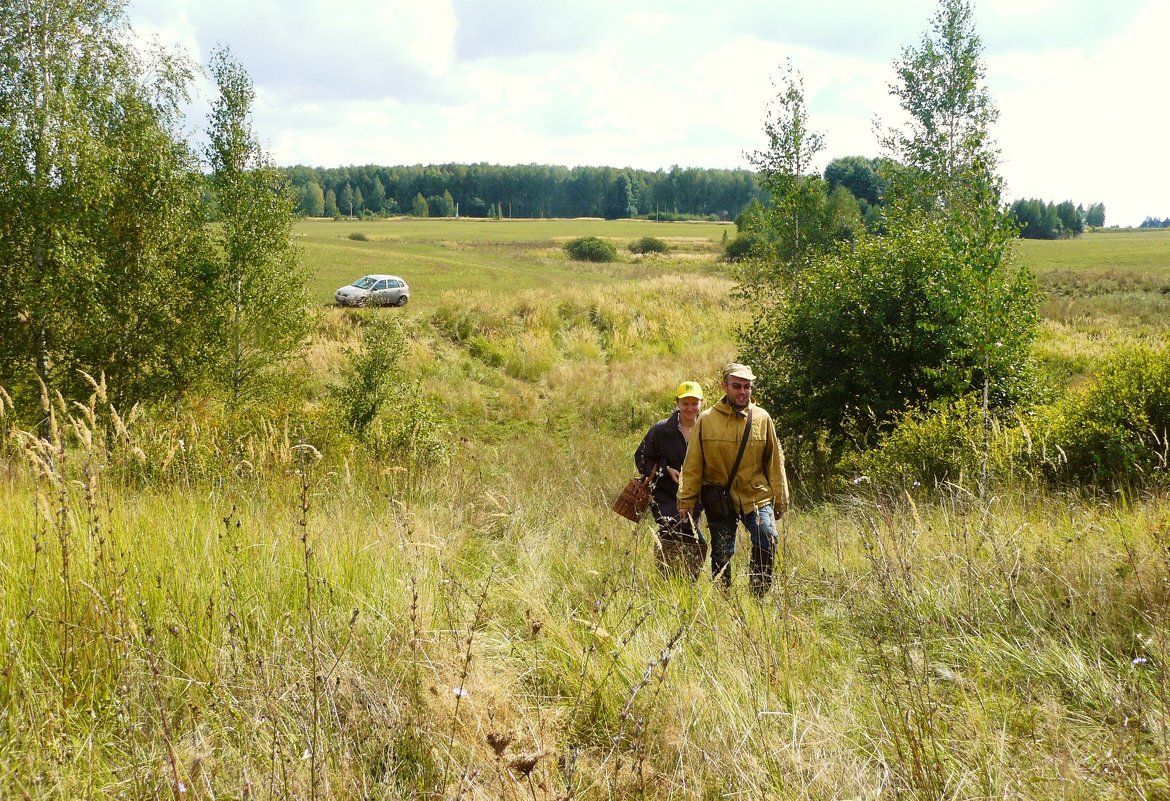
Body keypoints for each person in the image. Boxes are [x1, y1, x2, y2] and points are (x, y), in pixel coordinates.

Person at [677, 363, 789, 595]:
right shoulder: (706, 420)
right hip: (719, 497)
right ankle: (723, 597)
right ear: (724, 386)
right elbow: (693, 464)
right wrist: (686, 501)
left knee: (767, 536)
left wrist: (780, 500)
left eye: (747, 387)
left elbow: (775, 463)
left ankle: (759, 594)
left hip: (756, 494)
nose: (742, 392)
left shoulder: (762, 418)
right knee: (722, 551)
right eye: (737, 386)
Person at [634, 381, 708, 578]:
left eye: (695, 403)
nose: (690, 408)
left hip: (695, 496)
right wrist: (666, 470)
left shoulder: (709, 429)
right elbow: (642, 458)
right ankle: (667, 577)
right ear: (677, 403)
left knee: (691, 538)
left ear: (702, 402)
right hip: (665, 495)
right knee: (672, 533)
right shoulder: (661, 430)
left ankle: (686, 580)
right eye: (685, 403)